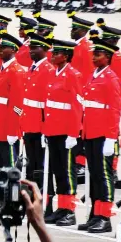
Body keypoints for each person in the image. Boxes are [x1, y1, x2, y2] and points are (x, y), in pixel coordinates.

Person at [78, 38, 121, 233]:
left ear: (107, 57)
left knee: (104, 176)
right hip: (90, 132)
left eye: (98, 54)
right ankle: (95, 214)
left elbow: (115, 110)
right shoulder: (93, 75)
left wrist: (111, 138)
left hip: (104, 135)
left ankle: (104, 217)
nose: (94, 57)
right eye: (94, 53)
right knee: (95, 174)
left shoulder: (111, 79)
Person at [41, 38, 83, 227]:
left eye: (56, 53)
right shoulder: (53, 73)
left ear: (65, 56)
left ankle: (70, 210)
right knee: (57, 171)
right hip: (53, 130)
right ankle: (61, 207)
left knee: (67, 172)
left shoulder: (73, 75)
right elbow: (49, 105)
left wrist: (73, 133)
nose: (52, 56)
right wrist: (46, 129)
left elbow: (76, 106)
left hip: (66, 132)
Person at [0, 30, 25, 212]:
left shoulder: (16, 72)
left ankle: (12, 201)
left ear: (13, 50)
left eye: (3, 48)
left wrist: (12, 130)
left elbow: (17, 104)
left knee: (10, 167)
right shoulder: (0, 69)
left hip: (7, 128)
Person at [20, 33, 55, 211]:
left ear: (45, 50)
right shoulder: (31, 68)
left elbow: (48, 103)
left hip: (40, 127)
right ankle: (34, 200)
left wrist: (45, 129)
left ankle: (46, 202)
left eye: (35, 48)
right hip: (29, 125)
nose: (31, 51)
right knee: (32, 165)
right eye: (30, 47)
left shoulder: (48, 70)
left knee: (43, 167)